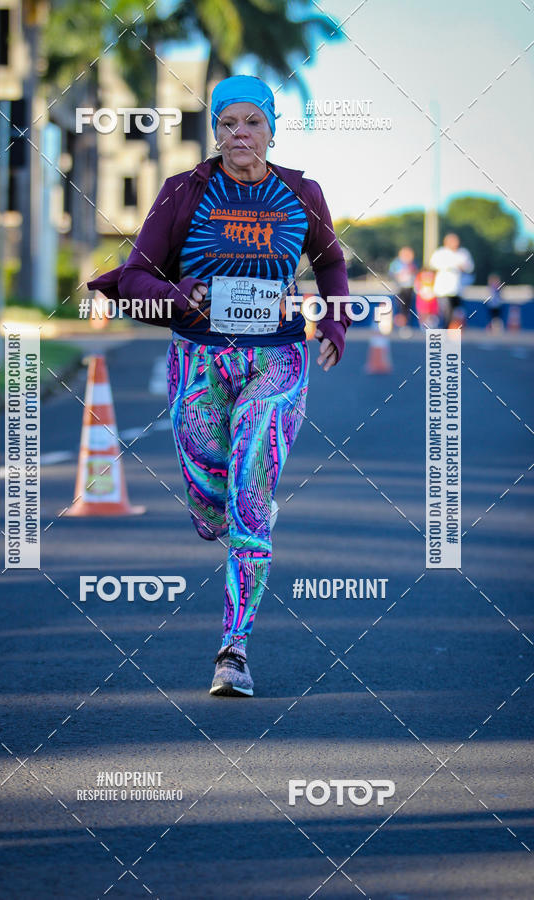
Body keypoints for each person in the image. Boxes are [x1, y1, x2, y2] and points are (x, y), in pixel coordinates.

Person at [87, 75, 351, 697]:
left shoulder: (302, 192)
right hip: (199, 360)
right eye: (228, 123)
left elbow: (331, 261)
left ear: (271, 130)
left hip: (277, 359)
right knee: (211, 505)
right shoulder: (184, 191)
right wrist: (183, 293)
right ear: (215, 132)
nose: (241, 134)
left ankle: (233, 652)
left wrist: (335, 320)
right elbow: (137, 274)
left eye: (253, 122)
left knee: (249, 500)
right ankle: (224, 510)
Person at [429, 233, 474, 326]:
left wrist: (461, 267)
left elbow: (470, 268)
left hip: (458, 290)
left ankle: (452, 331)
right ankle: (445, 330)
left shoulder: (463, 253)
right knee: (446, 313)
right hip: (443, 290)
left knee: (457, 314)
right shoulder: (440, 253)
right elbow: (432, 266)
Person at [389, 246, 417, 333]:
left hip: (410, 288)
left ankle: (406, 325)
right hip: (400, 288)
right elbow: (392, 274)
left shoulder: (413, 264)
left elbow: (416, 274)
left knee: (407, 308)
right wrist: (399, 275)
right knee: (400, 307)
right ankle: (398, 325)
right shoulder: (397, 263)